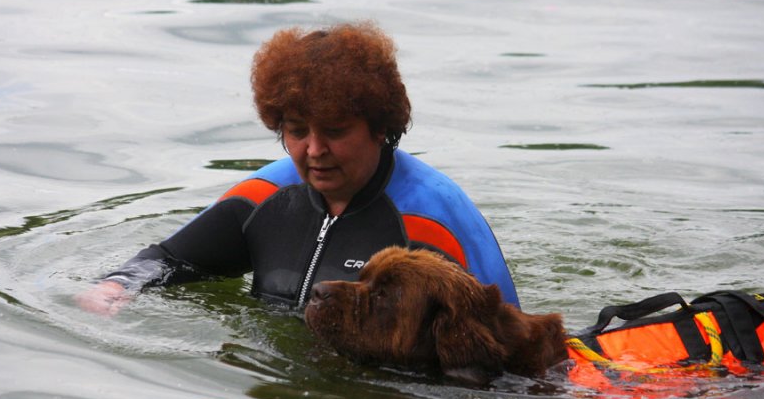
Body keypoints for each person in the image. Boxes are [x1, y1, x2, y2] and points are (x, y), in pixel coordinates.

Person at [77, 21, 520, 315]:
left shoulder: (433, 220)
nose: (314, 150)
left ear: (380, 127)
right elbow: (170, 259)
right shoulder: (264, 196)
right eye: (296, 130)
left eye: (335, 130)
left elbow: (502, 342)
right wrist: (115, 287)